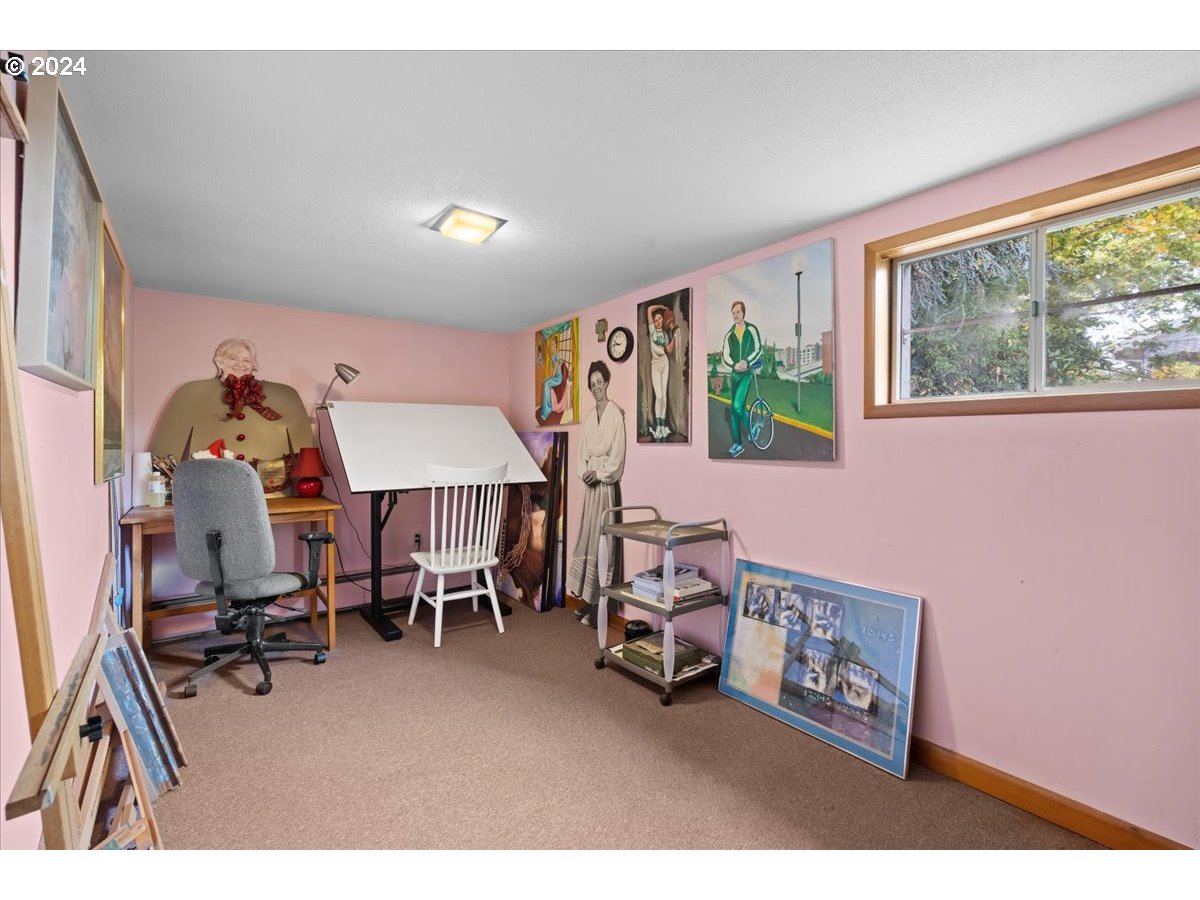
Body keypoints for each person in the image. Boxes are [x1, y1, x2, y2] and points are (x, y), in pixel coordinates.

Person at [148, 337, 312, 465]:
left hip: (268, 487)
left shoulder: (285, 394)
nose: (240, 364)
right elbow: (167, 448)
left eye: (246, 360)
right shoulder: (190, 392)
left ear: (253, 365)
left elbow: (305, 447)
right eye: (233, 358)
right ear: (220, 362)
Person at [567, 360, 626, 628]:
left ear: (607, 382)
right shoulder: (591, 417)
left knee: (604, 544)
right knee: (588, 539)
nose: (596, 388)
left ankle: (600, 608)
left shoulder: (615, 415)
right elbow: (582, 454)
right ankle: (588, 600)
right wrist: (585, 473)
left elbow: (617, 457)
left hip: (605, 488)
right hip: (590, 488)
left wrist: (599, 473)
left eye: (599, 382)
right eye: (592, 385)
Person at [720, 300, 763, 458]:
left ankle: (750, 430)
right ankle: (738, 443)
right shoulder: (729, 335)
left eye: (738, 312)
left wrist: (747, 362)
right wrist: (734, 365)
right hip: (734, 375)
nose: (735, 315)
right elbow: (724, 356)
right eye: (733, 313)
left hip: (747, 374)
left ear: (743, 313)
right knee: (735, 408)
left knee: (737, 404)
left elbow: (759, 348)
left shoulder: (751, 329)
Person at [646, 304, 676, 440]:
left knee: (664, 397)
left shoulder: (664, 334)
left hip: (665, 363)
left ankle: (663, 427)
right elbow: (649, 310)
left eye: (660, 319)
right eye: (656, 319)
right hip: (655, 365)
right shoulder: (652, 329)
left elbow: (669, 350)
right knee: (658, 396)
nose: (658, 321)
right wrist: (662, 307)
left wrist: (674, 336)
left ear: (663, 321)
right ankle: (658, 426)